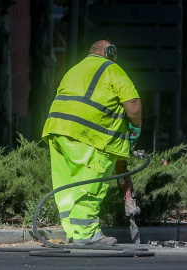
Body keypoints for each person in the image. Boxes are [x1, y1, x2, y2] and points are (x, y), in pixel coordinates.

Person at [42, 39, 142, 246]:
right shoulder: (111, 69)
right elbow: (132, 103)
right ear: (110, 52)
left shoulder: (74, 69)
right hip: (90, 135)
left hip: (57, 131)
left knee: (68, 185)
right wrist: (136, 125)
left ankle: (73, 231)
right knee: (90, 183)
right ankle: (87, 235)